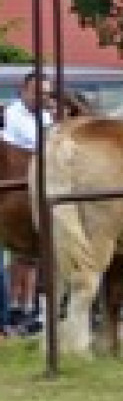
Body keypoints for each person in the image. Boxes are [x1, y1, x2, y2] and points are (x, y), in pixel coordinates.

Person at [1, 73, 54, 336]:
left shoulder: (45, 116)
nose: (43, 97)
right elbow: (35, 145)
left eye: (46, 93)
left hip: (37, 182)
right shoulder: (14, 116)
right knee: (22, 254)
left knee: (30, 256)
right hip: (19, 185)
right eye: (38, 92)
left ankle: (28, 306)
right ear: (24, 90)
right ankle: (17, 305)